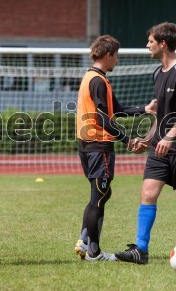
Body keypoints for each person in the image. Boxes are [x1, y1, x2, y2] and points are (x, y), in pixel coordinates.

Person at [115, 22, 176, 265]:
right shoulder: (157, 73)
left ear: (163, 43)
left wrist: (170, 137)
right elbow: (161, 116)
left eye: (150, 41)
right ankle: (141, 250)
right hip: (160, 147)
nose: (147, 45)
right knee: (148, 193)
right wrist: (147, 140)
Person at [75, 34, 156, 261]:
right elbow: (102, 119)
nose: (118, 61)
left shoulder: (94, 77)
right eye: (116, 56)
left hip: (89, 144)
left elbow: (116, 110)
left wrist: (145, 109)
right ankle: (93, 252)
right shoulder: (98, 80)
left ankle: (84, 242)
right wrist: (127, 139)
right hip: (98, 145)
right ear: (108, 55)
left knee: (101, 193)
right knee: (98, 197)